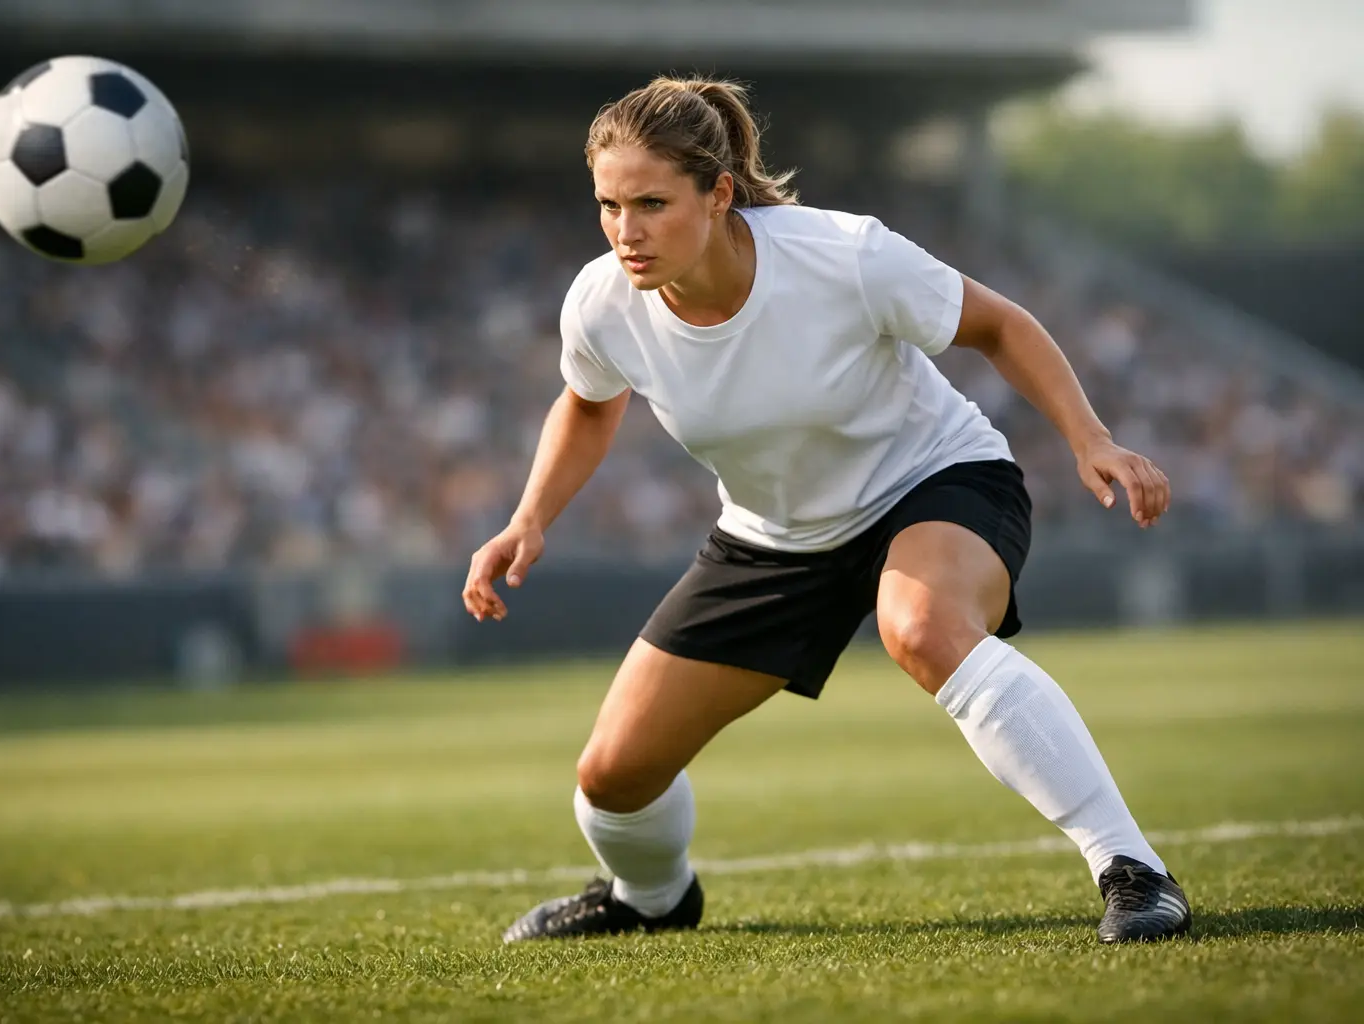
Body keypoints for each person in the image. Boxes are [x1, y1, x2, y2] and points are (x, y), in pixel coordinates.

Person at [462, 76, 1191, 945]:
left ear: (719, 192)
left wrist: (1090, 438)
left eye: (652, 203)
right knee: (613, 778)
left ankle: (1133, 870)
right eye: (610, 206)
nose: (627, 231)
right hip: (773, 540)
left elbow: (999, 324)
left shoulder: (844, 255)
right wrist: (530, 515)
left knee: (920, 627)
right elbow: (588, 403)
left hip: (933, 480)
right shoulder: (601, 303)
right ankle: (649, 899)